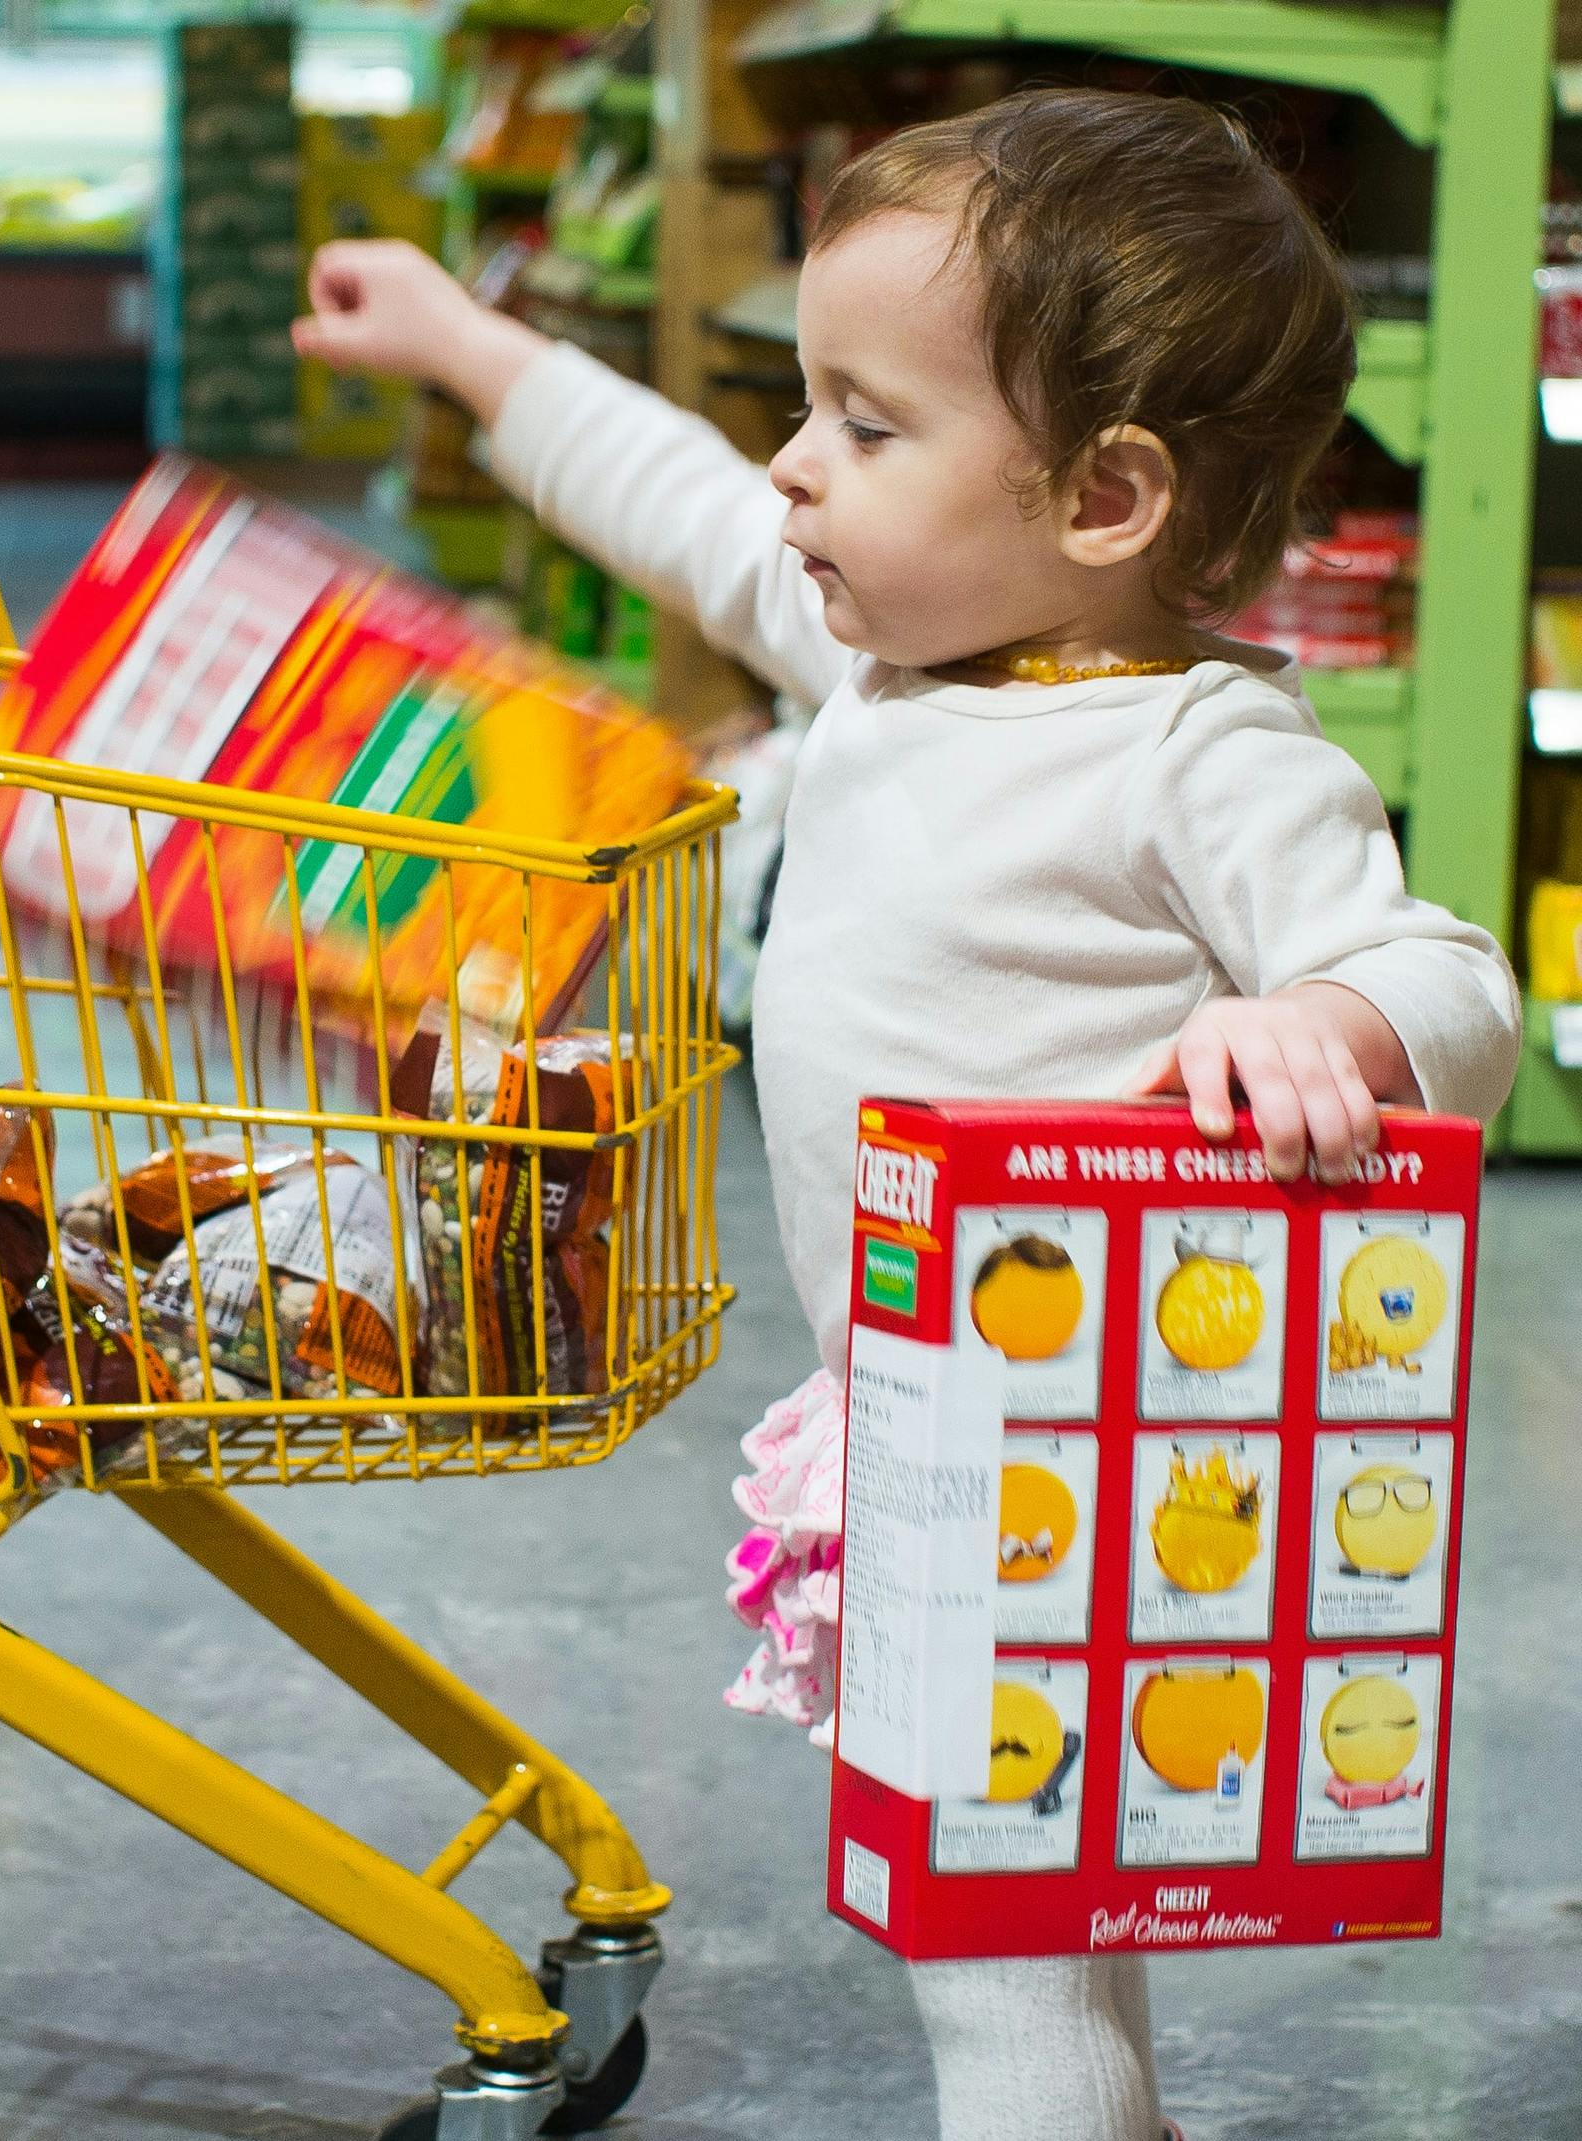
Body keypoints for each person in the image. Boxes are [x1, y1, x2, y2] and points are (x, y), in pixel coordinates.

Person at [294, 87, 1520, 2141]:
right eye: (806, 403)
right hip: (933, 1428)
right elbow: (681, 502)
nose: (795, 467)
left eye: (867, 425)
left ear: (1106, 498)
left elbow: (1454, 982)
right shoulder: (878, 669)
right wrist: (469, 345)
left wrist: (1330, 1017)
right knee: (996, 1914)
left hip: (1103, 1454)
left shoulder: (1197, 752)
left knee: (998, 1934)